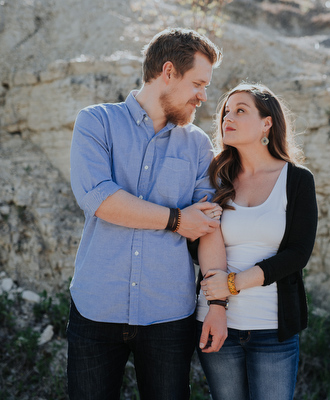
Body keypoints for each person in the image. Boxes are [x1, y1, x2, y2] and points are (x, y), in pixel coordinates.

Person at [67, 28, 228, 400]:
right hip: (96, 308)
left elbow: (206, 225)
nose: (204, 97)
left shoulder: (197, 144)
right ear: (168, 72)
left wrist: (218, 303)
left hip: (169, 314)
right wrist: (175, 219)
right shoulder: (96, 123)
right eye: (198, 84)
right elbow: (101, 199)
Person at [196, 83, 318, 400]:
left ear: (267, 123)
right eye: (226, 112)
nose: (227, 118)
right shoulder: (215, 177)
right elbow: (202, 241)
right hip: (215, 318)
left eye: (240, 110)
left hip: (272, 327)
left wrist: (233, 283)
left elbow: (298, 253)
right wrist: (218, 305)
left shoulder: (297, 180)